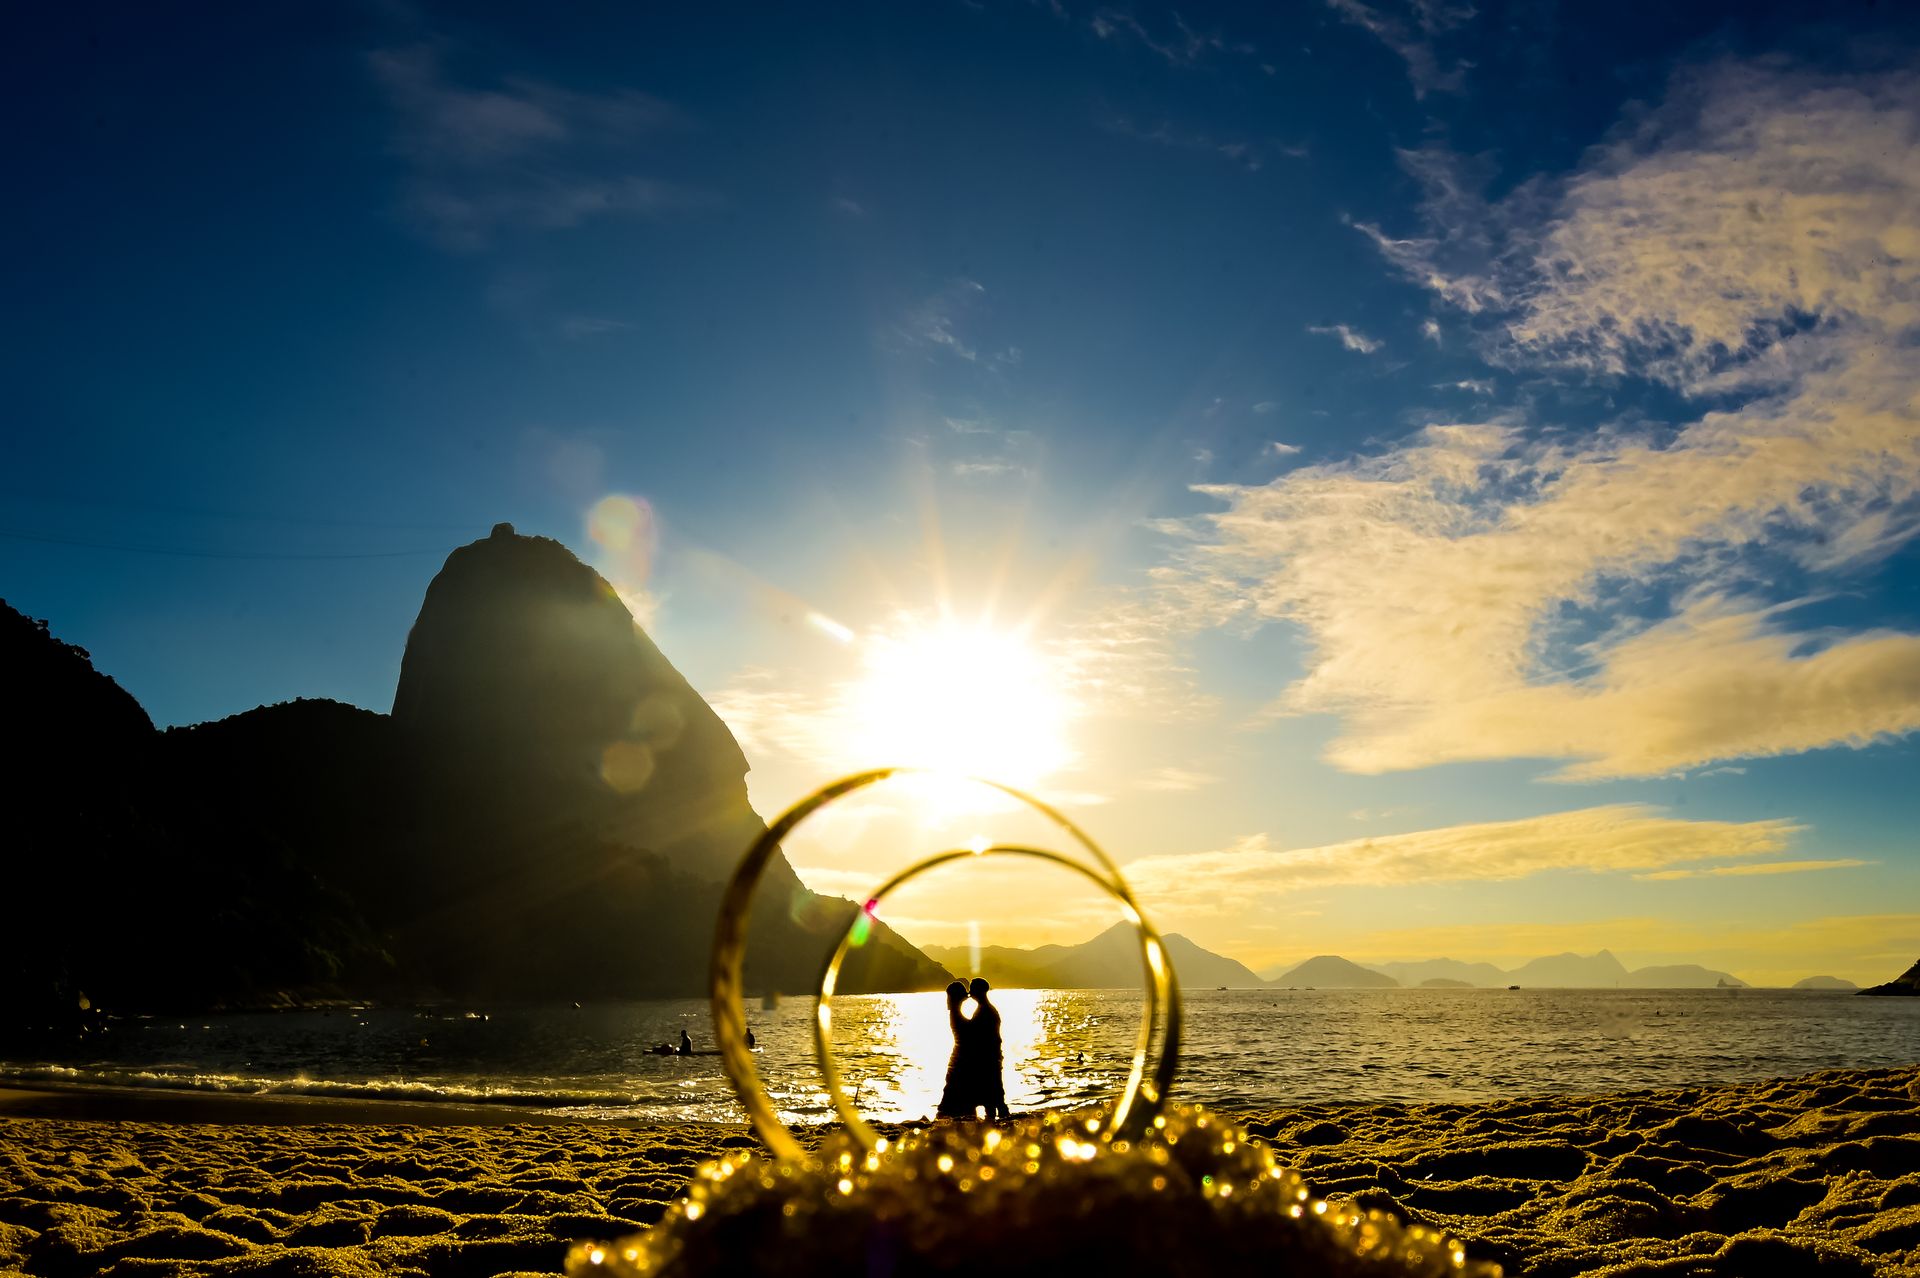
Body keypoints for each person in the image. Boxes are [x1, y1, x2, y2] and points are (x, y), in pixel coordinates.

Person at [967, 978, 1010, 1121]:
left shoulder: (986, 1011)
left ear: (978, 991)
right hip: (991, 1056)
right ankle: (997, 1119)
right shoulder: (986, 1009)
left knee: (994, 1092)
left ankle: (998, 1119)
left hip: (988, 1057)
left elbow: (984, 1035)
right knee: (993, 1092)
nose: (970, 992)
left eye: (972, 989)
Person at [934, 981, 977, 1118]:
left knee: (956, 1086)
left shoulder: (955, 1012)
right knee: (958, 1086)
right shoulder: (956, 1014)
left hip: (959, 1056)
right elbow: (968, 1031)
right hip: (961, 1057)